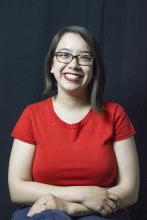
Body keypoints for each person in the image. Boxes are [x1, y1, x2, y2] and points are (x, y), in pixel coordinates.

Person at [8, 25, 139, 220]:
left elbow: (130, 192)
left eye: (84, 57)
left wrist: (72, 208)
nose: (74, 64)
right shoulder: (32, 115)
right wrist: (82, 194)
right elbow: (17, 189)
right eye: (64, 55)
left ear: (94, 70)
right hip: (43, 212)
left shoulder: (115, 114)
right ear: (51, 65)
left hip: (101, 214)